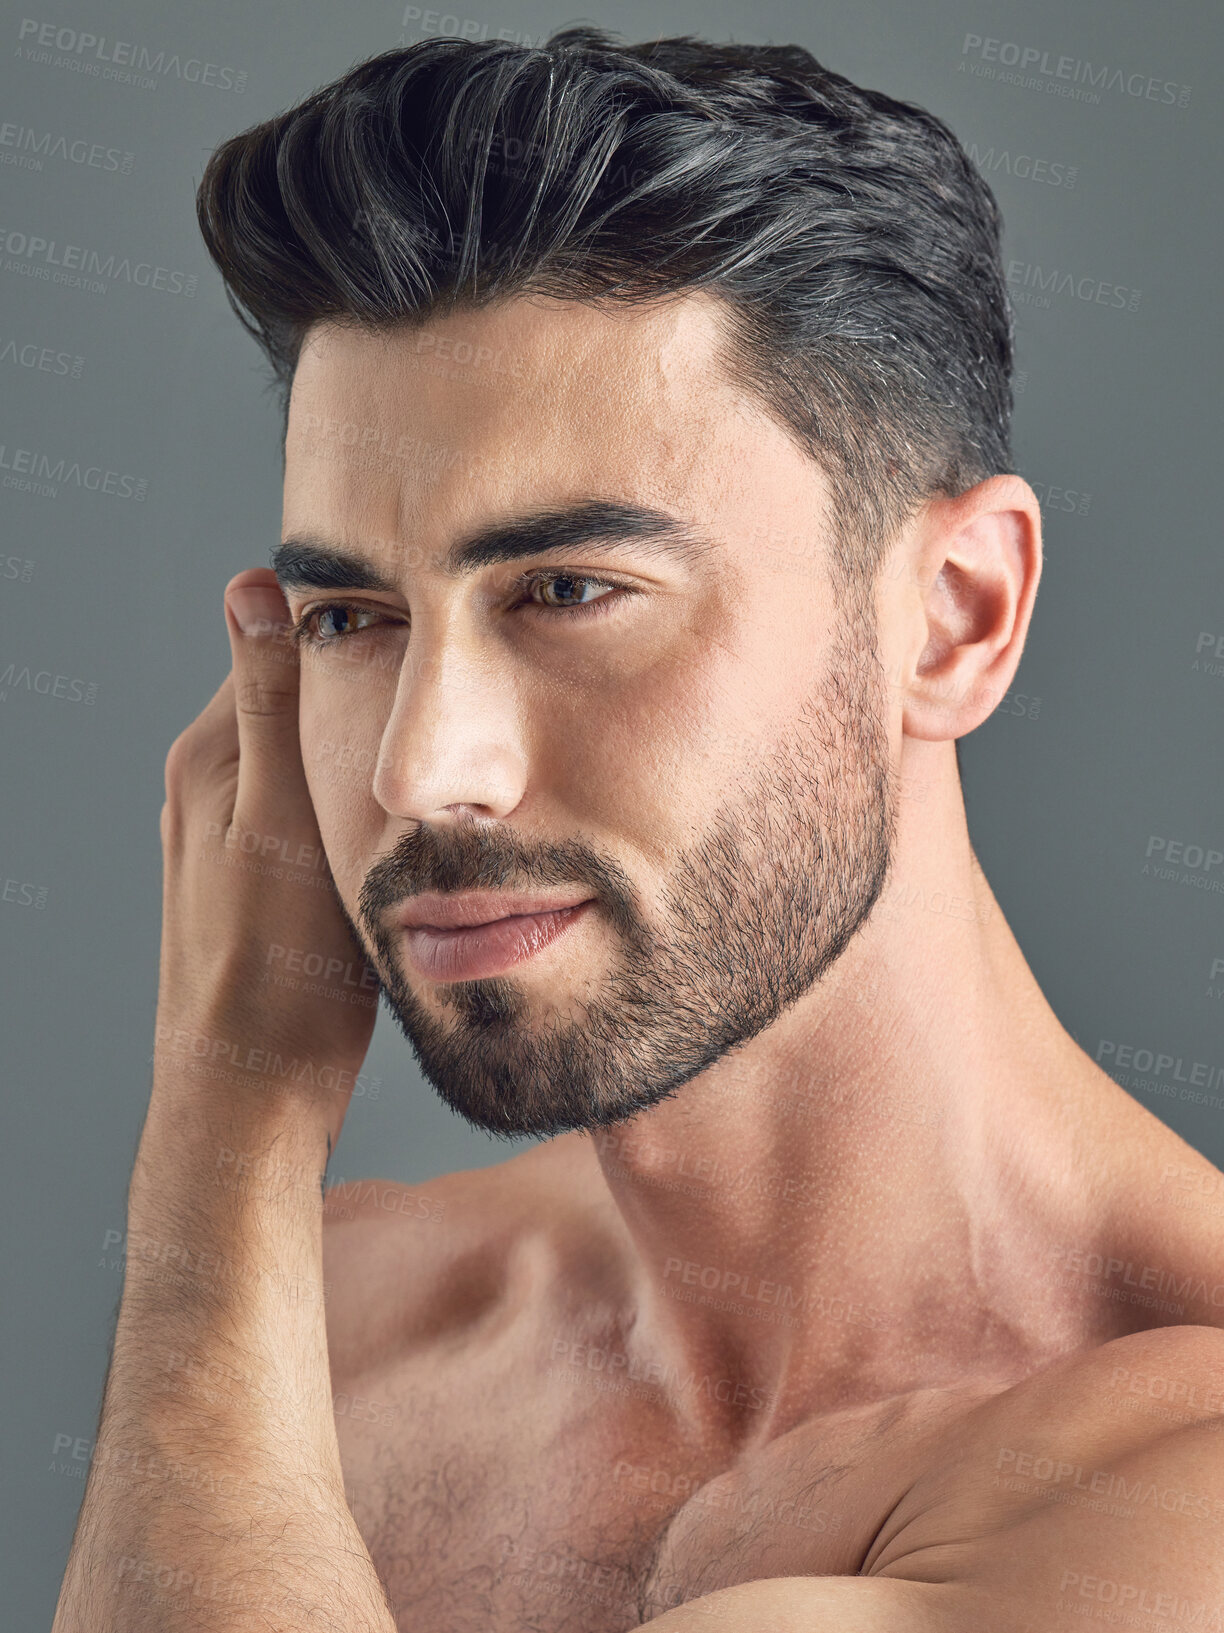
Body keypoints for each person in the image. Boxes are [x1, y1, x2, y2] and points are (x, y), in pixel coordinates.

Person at [54, 26, 1224, 1633]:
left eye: (571, 591)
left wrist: (224, 1132)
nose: (418, 770)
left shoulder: (1176, 1478)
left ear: (954, 618)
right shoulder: (328, 1324)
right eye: (350, 615)